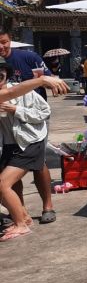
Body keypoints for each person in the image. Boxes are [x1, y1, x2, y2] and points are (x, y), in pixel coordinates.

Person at [0, 67, 68, 241]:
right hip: (8, 143)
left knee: (4, 183)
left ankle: (25, 222)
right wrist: (42, 80)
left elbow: (45, 112)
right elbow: (10, 93)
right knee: (9, 184)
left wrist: (17, 110)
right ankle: (22, 216)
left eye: (1, 76)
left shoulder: (26, 92)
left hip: (30, 140)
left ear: (7, 75)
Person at [0, 30, 57, 225]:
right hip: (8, 132)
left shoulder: (28, 58)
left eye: (4, 42)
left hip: (32, 127)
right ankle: (20, 210)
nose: (1, 47)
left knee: (38, 164)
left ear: (10, 40)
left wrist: (19, 107)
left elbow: (49, 83)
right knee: (9, 169)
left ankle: (47, 206)